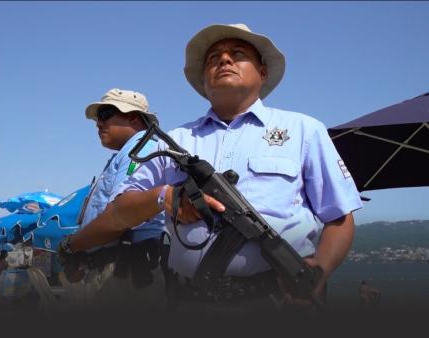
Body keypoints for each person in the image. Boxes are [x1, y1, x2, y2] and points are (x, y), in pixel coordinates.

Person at [66, 24, 362, 312]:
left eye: (237, 53)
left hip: (277, 301)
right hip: (189, 303)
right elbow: (118, 212)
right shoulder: (174, 142)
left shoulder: (304, 130)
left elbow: (338, 216)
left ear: (262, 72)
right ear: (204, 80)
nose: (224, 59)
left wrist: (320, 268)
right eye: (213, 58)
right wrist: (165, 197)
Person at [57, 88, 167, 309]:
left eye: (105, 114)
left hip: (128, 271)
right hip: (117, 267)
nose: (98, 123)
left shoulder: (140, 150)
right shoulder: (128, 153)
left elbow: (119, 217)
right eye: (98, 118)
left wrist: (71, 247)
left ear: (134, 117)